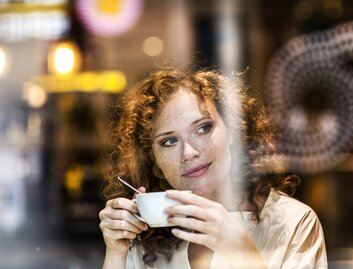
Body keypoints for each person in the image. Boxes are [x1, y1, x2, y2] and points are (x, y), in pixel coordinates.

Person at [99, 67, 327, 269]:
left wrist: (243, 253)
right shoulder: (147, 232)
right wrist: (116, 253)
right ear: (155, 162)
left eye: (203, 128)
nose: (189, 153)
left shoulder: (293, 222)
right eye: (169, 141)